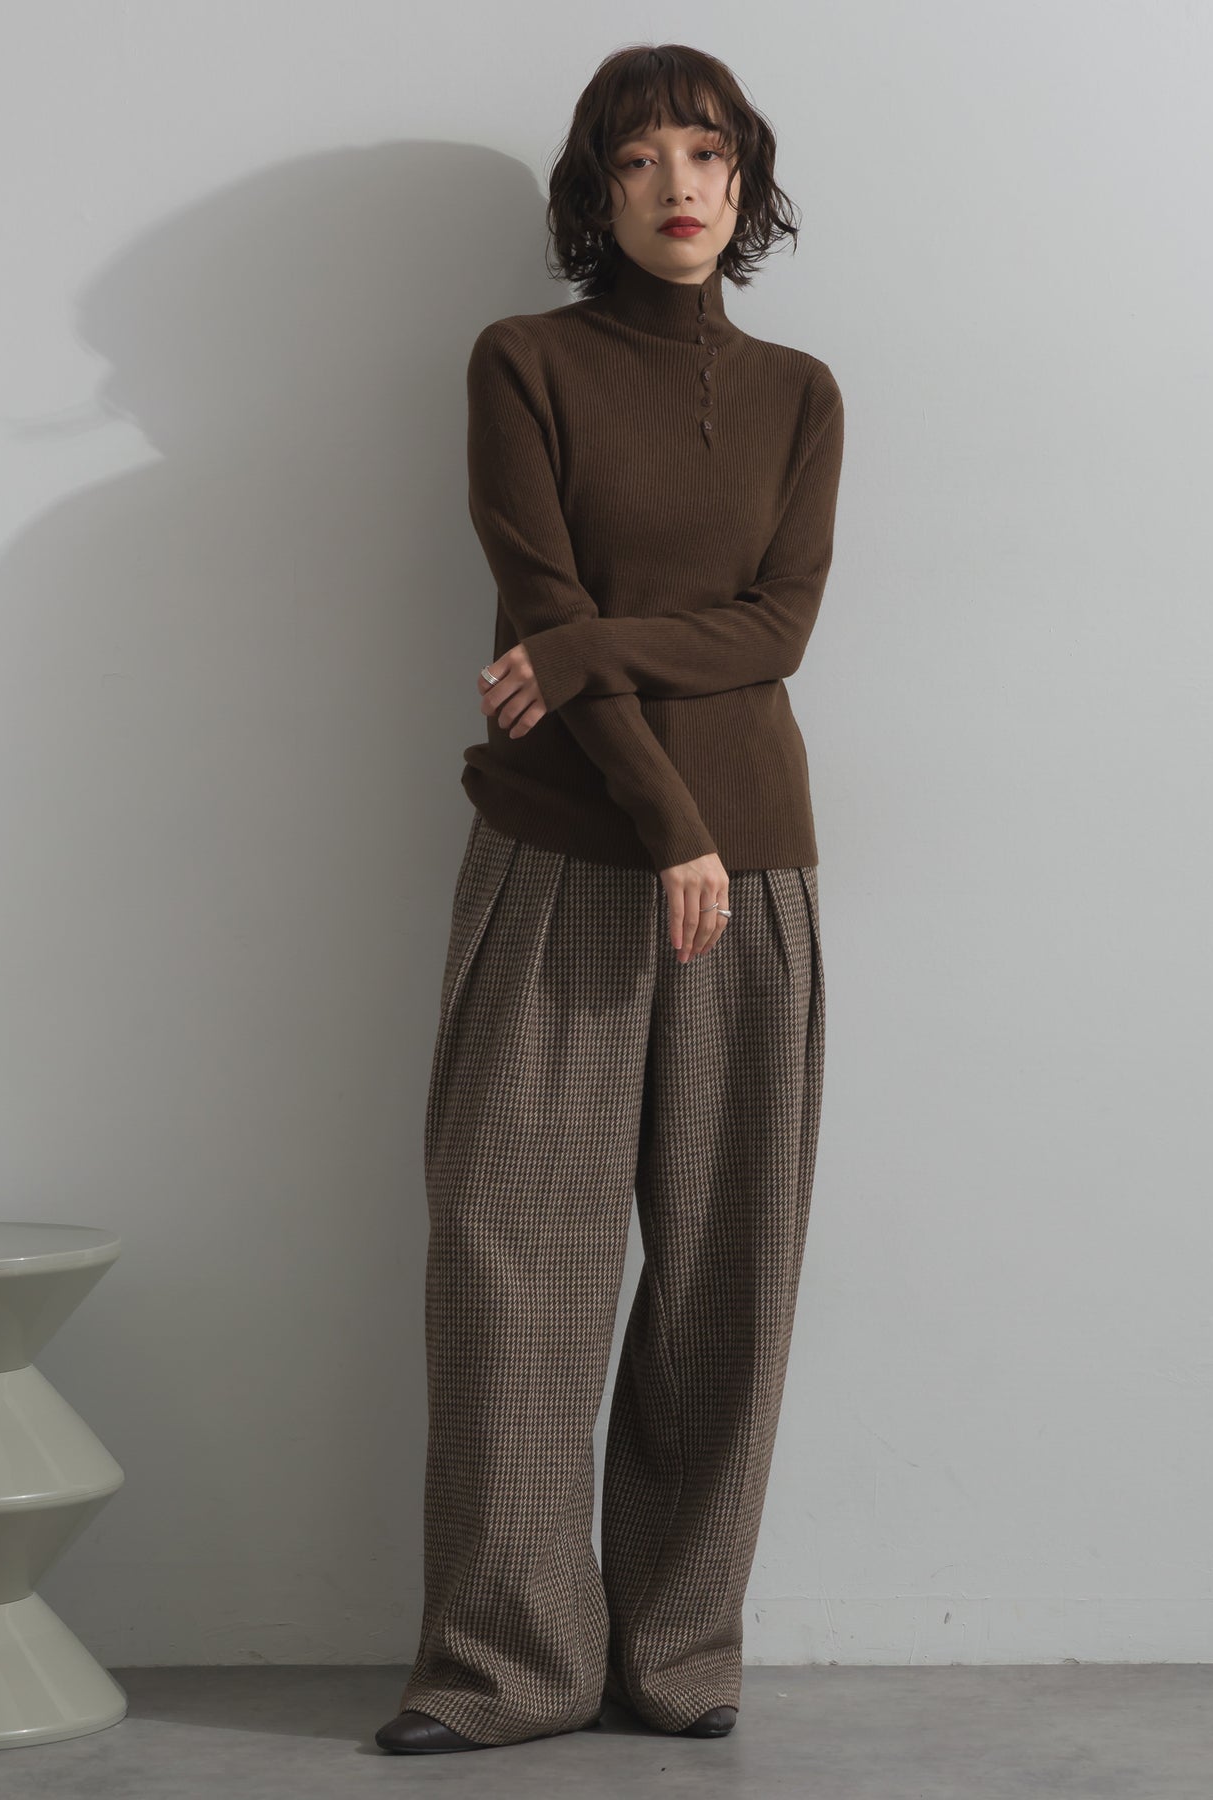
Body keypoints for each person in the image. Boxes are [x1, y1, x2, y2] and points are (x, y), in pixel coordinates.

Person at [376, 41, 845, 1755]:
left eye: (705, 154)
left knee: (727, 1273)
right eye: (640, 158)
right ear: (596, 190)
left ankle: (678, 1652)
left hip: (759, 865)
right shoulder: (526, 363)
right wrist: (665, 821)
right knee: (513, 1264)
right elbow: (538, 591)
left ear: (744, 179)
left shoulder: (801, 393)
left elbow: (775, 630)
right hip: (569, 854)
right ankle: (506, 1668)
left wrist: (580, 656)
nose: (678, 186)